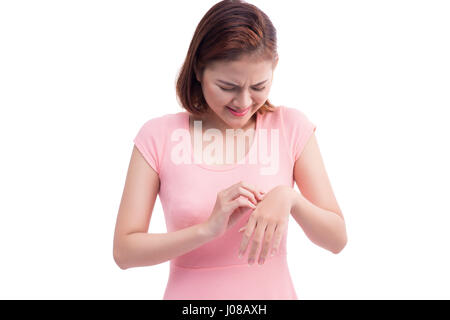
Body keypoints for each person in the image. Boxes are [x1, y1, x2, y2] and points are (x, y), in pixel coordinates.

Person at [113, 0, 347, 300]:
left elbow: (337, 239)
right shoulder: (158, 136)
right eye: (228, 87)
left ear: (274, 68)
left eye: (259, 86)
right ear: (198, 69)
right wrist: (207, 230)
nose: (244, 102)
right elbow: (124, 252)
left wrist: (289, 199)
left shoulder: (291, 127)